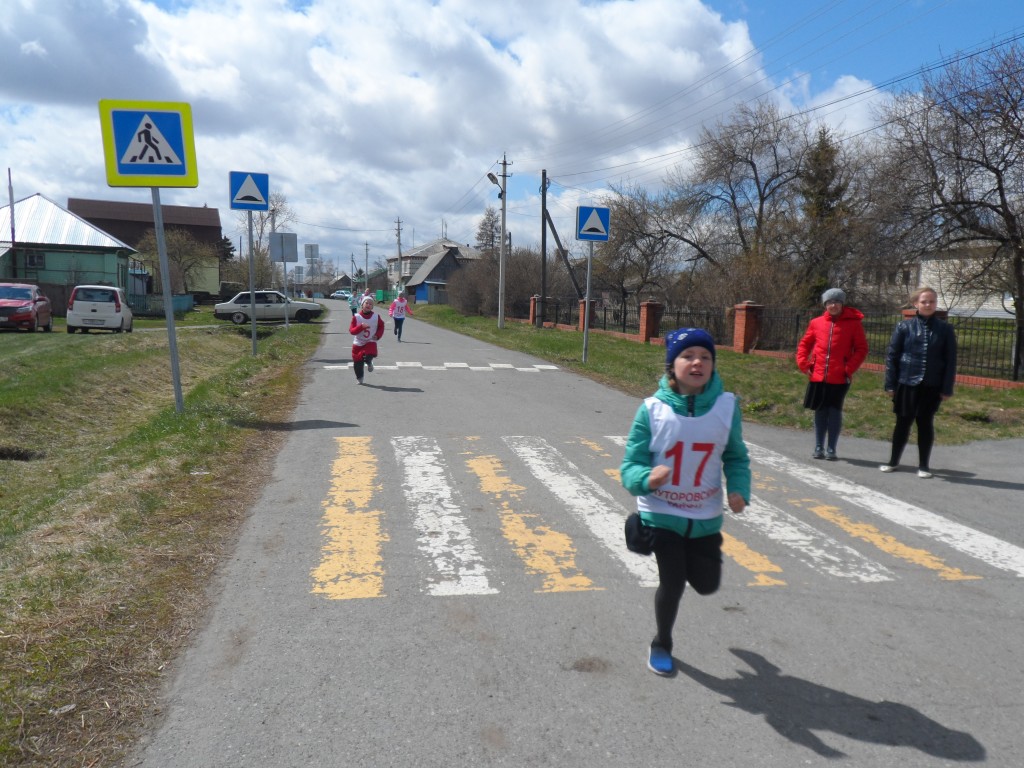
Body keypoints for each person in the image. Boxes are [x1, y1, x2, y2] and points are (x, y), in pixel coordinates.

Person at [620, 328, 751, 677]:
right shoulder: (652, 410)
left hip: (705, 515)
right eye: (688, 356)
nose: (697, 362)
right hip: (662, 514)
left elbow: (736, 457)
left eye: (705, 357)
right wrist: (646, 479)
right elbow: (630, 465)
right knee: (673, 581)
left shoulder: (727, 408)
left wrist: (739, 490)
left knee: (707, 584)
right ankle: (662, 642)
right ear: (671, 365)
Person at [880, 287, 957, 478]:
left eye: (932, 301)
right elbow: (893, 356)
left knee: (925, 423)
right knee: (902, 422)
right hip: (907, 382)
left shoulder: (945, 329)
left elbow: (950, 361)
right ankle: (893, 461)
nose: (928, 305)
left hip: (932, 384)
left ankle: (924, 466)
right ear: (916, 304)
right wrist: (890, 384)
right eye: (924, 301)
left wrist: (947, 388)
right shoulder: (904, 327)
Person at [796, 288, 869, 461]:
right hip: (818, 375)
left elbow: (861, 349)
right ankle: (818, 446)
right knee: (820, 411)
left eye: (836, 302)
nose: (833, 305)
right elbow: (804, 344)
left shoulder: (853, 324)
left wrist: (848, 368)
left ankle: (831, 448)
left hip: (840, 377)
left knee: (834, 412)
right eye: (829, 302)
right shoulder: (816, 323)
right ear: (825, 305)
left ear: (842, 304)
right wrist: (803, 363)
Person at [349, 295, 385, 385]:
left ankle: (369, 362)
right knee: (357, 362)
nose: (368, 305)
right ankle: (360, 377)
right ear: (362, 304)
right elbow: (352, 331)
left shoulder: (376, 317)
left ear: (372, 307)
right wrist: (361, 327)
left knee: (368, 355)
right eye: (366, 303)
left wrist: (377, 335)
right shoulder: (356, 317)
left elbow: (381, 326)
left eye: (371, 304)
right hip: (358, 342)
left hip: (370, 341)